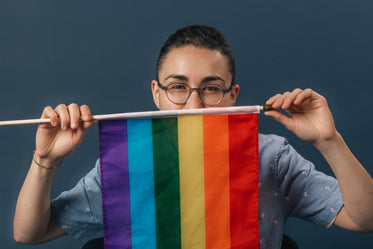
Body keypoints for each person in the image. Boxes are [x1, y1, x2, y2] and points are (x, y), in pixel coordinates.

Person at [13, 25, 373, 248]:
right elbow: (30, 233)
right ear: (157, 94)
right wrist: (46, 160)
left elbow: (364, 220)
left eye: (212, 88)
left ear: (232, 95)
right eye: (178, 87)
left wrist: (329, 141)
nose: (195, 104)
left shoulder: (270, 158)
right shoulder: (129, 162)